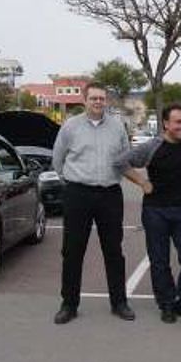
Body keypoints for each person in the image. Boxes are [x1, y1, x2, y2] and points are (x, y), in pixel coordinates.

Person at [52, 82, 146, 324]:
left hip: (109, 194)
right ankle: (69, 304)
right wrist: (71, 182)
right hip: (78, 193)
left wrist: (142, 180)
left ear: (106, 101)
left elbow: (124, 159)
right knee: (73, 250)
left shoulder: (117, 127)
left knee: (113, 250)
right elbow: (58, 159)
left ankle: (119, 302)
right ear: (85, 100)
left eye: (102, 98)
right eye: (93, 98)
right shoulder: (70, 126)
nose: (98, 102)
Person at [121, 103, 181, 324]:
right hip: (155, 211)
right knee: (159, 261)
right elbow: (121, 163)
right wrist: (142, 182)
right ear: (166, 123)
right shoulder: (151, 147)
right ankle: (166, 304)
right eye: (178, 122)